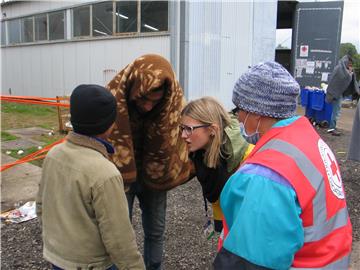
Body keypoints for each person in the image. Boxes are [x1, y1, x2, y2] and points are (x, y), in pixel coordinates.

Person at [214, 61, 352, 269]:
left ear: (257, 111)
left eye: (240, 109)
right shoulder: (307, 139)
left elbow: (249, 262)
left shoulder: (264, 175)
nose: (239, 117)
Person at [36, 84, 145, 270]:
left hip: (58, 258)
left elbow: (41, 207)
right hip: (91, 264)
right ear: (110, 124)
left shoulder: (54, 154)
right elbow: (119, 239)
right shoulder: (105, 173)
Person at [106, 54, 192, 270]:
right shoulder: (112, 97)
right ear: (134, 88)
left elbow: (179, 139)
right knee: (118, 233)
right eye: (143, 99)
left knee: (156, 231)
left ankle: (154, 267)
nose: (147, 106)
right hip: (120, 175)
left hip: (155, 174)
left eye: (155, 101)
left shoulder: (174, 101)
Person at [180, 97, 253, 233]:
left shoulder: (249, 164)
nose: (183, 135)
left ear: (212, 129)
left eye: (189, 129)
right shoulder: (202, 155)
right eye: (182, 128)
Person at [325, 55, 359, 136]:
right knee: (336, 112)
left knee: (336, 111)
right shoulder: (340, 69)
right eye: (349, 64)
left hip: (337, 93)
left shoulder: (340, 68)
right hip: (336, 93)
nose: (349, 66)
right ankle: (332, 128)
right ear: (346, 62)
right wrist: (350, 73)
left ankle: (333, 127)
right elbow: (346, 78)